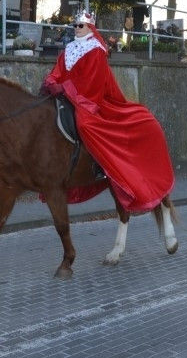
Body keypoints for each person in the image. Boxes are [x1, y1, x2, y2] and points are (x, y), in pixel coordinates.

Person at [39, 11, 175, 211]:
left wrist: (65, 88)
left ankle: (99, 167)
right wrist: (51, 82)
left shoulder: (96, 51)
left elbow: (91, 84)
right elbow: (58, 71)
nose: (76, 28)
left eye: (80, 26)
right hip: (67, 96)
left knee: (85, 124)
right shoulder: (69, 49)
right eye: (75, 25)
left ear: (90, 28)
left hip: (91, 100)